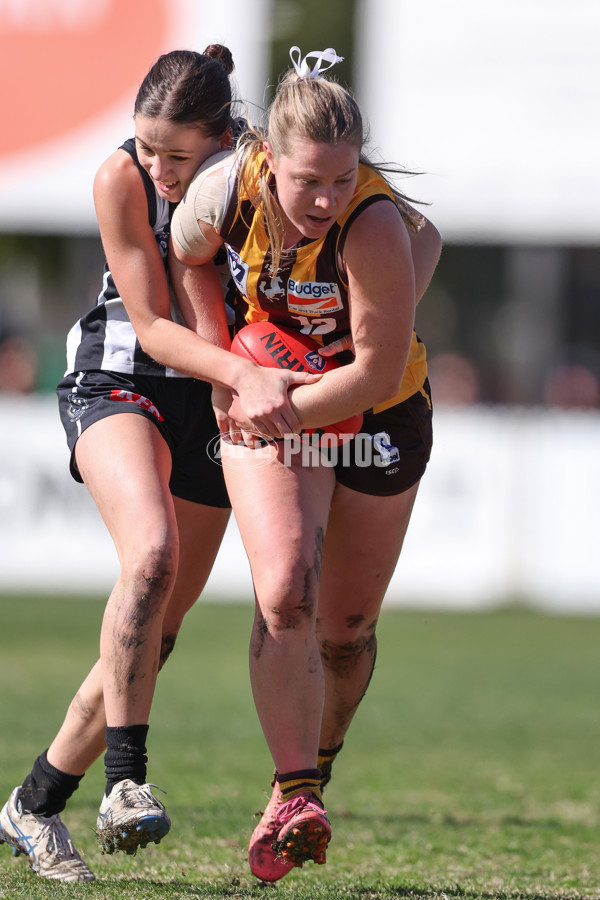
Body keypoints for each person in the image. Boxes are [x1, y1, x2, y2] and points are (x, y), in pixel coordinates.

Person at [0, 46, 316, 884]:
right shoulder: (119, 179)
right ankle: (123, 786)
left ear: (223, 136)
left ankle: (32, 804)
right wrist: (244, 373)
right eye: (147, 147)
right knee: (152, 556)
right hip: (122, 377)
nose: (157, 168)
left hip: (213, 394)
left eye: (177, 156)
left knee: (158, 629)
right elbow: (149, 323)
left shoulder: (261, 169)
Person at [170, 46, 441, 882]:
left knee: (346, 631)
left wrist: (263, 400)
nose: (325, 199)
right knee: (285, 588)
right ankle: (294, 792)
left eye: (340, 178)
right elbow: (188, 260)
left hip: (378, 414)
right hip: (277, 397)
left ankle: (309, 774)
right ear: (266, 159)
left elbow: (367, 376)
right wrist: (229, 368)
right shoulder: (225, 187)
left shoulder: (376, 222)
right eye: (306, 182)